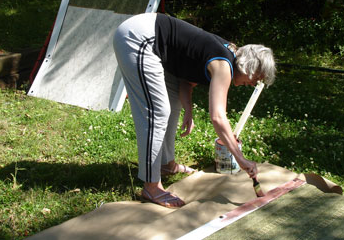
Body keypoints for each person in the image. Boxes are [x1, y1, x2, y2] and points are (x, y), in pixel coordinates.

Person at [113, 12, 276, 209]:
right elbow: (218, 117)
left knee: (172, 107)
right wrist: (240, 159)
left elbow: (186, 80)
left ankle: (166, 164)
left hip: (154, 41)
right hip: (139, 37)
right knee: (157, 112)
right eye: (256, 78)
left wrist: (188, 110)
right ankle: (151, 186)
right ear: (251, 67)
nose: (253, 84)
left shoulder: (226, 56)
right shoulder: (224, 65)